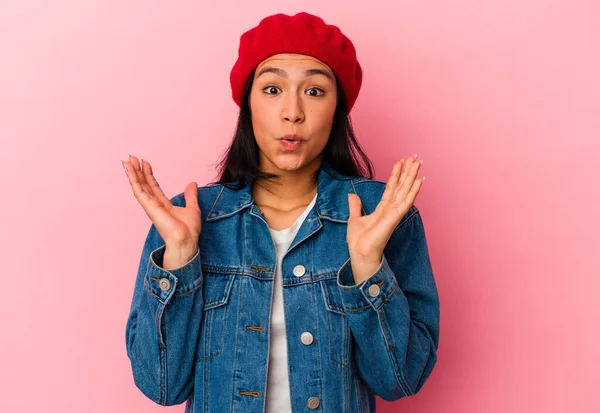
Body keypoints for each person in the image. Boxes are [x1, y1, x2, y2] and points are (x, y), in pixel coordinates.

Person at [123, 11, 440, 413]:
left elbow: (400, 380)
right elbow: (161, 385)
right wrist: (181, 257)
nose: (292, 112)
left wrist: (366, 264)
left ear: (337, 108)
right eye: (272, 89)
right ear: (248, 105)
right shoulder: (187, 220)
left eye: (314, 91)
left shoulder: (383, 214)